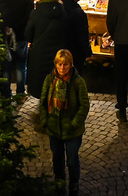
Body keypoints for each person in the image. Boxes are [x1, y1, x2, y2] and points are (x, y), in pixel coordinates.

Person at [34, 48, 88, 196]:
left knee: (72, 160)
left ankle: (74, 185)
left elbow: (84, 105)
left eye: (65, 65)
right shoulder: (50, 80)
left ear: (70, 64)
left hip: (72, 130)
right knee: (57, 160)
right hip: (54, 128)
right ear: (55, 64)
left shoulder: (78, 82)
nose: (62, 68)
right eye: (59, 65)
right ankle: (59, 182)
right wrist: (45, 120)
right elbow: (44, 102)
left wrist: (74, 123)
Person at [24, 0, 67, 99]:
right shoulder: (62, 12)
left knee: (40, 79)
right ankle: (53, 102)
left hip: (39, 51)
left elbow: (28, 34)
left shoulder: (35, 13)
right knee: (54, 77)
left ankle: (42, 101)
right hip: (57, 51)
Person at [60, 0, 92, 69]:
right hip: (75, 52)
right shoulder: (79, 13)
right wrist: (87, 52)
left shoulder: (58, 8)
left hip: (59, 49)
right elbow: (82, 35)